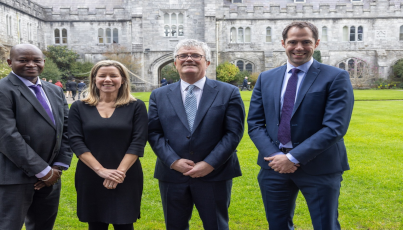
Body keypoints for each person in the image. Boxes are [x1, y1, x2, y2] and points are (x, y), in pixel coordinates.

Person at [247, 21, 354, 230]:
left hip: (320, 166)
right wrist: (277, 158)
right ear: (283, 43)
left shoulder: (335, 77)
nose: (299, 47)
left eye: (306, 42)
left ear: (316, 43)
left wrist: (292, 158)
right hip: (273, 167)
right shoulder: (266, 78)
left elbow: (335, 127)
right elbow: (255, 124)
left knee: (325, 225)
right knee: (277, 225)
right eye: (293, 42)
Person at [148, 39, 245, 229]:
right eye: (183, 55)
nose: (189, 59)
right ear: (175, 63)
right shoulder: (159, 95)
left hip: (215, 174)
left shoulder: (229, 92)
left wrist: (209, 164)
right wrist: (174, 162)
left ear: (207, 62)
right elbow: (153, 133)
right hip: (172, 174)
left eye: (195, 55)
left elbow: (233, 133)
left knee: (216, 225)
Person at [0, 44, 73, 230]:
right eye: (23, 60)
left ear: (43, 62)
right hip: (13, 177)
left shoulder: (54, 90)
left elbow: (67, 129)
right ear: (10, 62)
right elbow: (6, 137)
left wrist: (57, 167)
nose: (31, 64)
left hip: (51, 176)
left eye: (36, 60)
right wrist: (42, 171)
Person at [68, 60, 148, 230]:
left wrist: (119, 173)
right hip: (91, 175)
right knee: (95, 224)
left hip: (126, 175)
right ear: (94, 79)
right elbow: (76, 141)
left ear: (123, 80)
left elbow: (138, 141)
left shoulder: (136, 107)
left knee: (125, 224)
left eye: (113, 75)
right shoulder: (78, 107)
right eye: (102, 76)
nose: (108, 79)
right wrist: (101, 171)